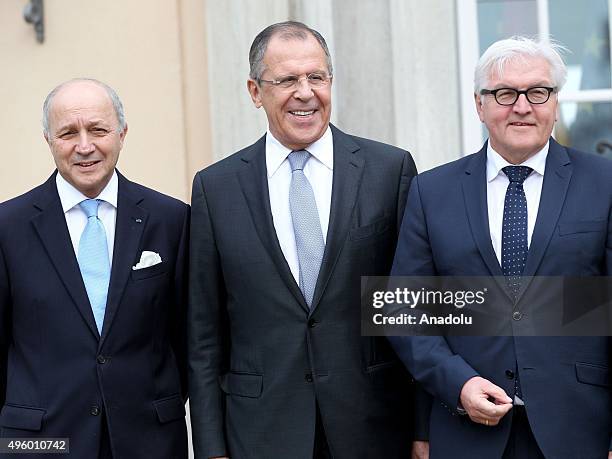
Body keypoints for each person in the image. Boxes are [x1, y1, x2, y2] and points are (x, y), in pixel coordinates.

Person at [188, 21, 417, 459]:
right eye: (287, 79)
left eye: (316, 77)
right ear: (255, 91)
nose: (305, 92)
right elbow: (204, 334)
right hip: (260, 431)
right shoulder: (215, 189)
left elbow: (414, 310)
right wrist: (210, 446)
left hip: (373, 425)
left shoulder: (390, 171)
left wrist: (423, 430)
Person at [389, 36, 612, 459]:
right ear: (480, 105)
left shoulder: (604, 184)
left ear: (555, 102)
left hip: (581, 431)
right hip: (467, 430)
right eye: (505, 93)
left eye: (538, 92)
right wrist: (458, 384)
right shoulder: (430, 191)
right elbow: (406, 310)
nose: (522, 106)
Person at [0, 79, 189, 458]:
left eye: (98, 130)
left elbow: (188, 338)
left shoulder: (171, 220)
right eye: (68, 132)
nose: (84, 146)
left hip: (148, 440)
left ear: (122, 133)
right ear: (48, 140)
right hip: (41, 444)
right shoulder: (8, 227)